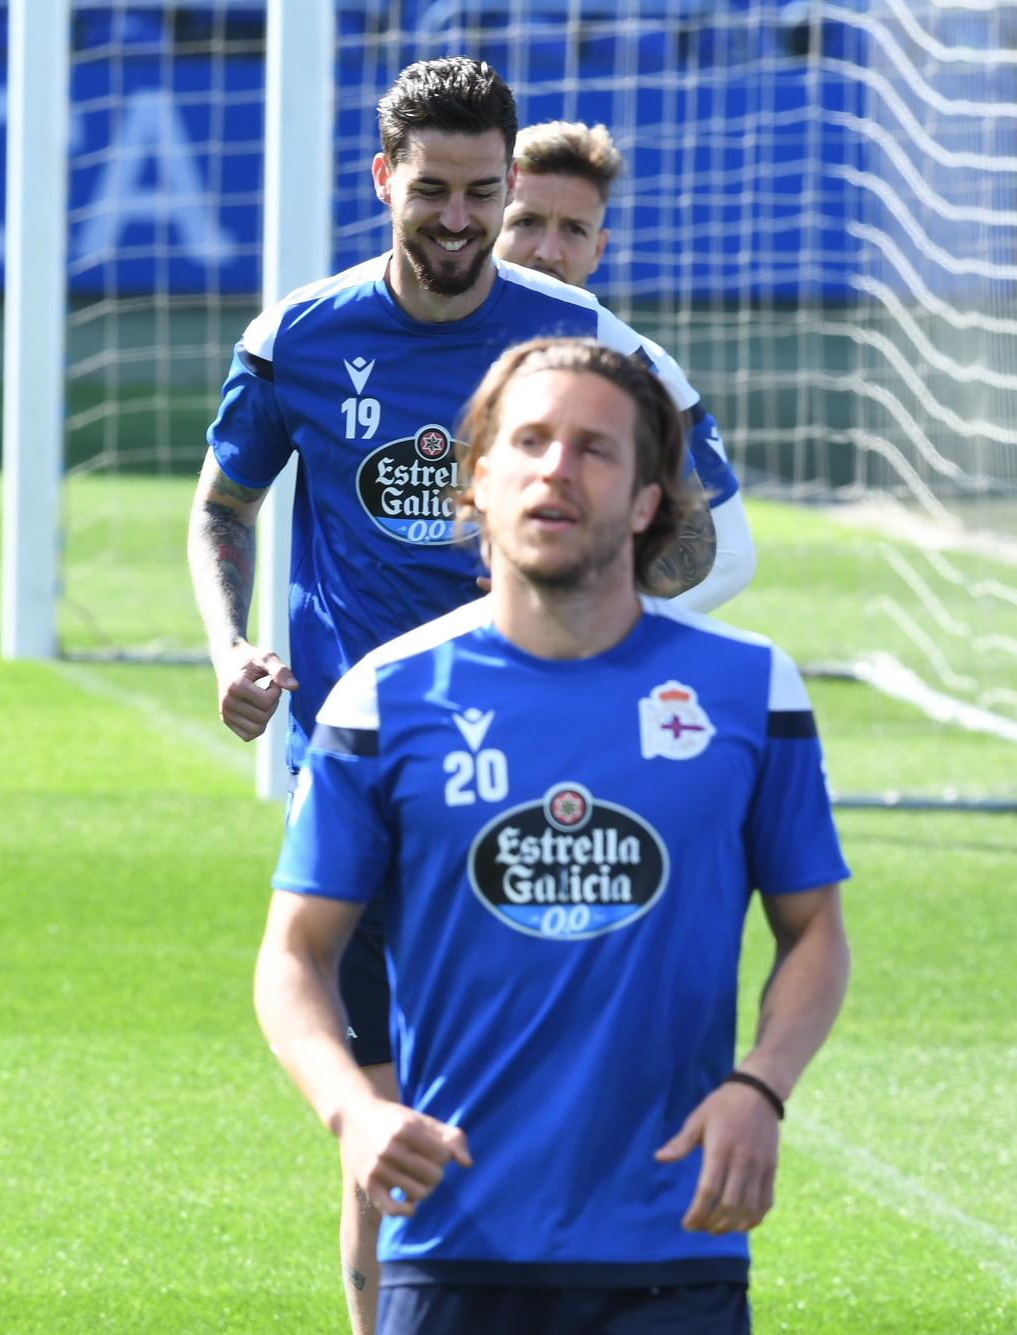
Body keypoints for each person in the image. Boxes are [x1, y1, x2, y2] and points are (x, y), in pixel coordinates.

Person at [185, 57, 753, 1333]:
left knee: (555, 1096)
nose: (456, 219)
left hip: (548, 765)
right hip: (371, 767)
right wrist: (231, 648)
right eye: (430, 190)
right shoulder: (298, 339)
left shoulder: (575, 343)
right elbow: (223, 508)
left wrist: (582, 605)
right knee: (385, 1116)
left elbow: (698, 535)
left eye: (481, 194)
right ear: (383, 177)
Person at [253, 337, 851, 1334]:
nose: (555, 470)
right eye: (527, 442)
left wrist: (760, 1086)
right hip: (452, 1245)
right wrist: (350, 1109)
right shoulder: (380, 700)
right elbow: (292, 954)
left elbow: (814, 930)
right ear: (477, 480)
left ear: (649, 499)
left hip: (674, 1244)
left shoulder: (749, 691)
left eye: (593, 449)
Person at [493, 119, 622, 289]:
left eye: (575, 230)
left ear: (597, 251)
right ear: (490, 228)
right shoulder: (448, 314)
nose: (548, 255)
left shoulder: (606, 317)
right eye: (526, 222)